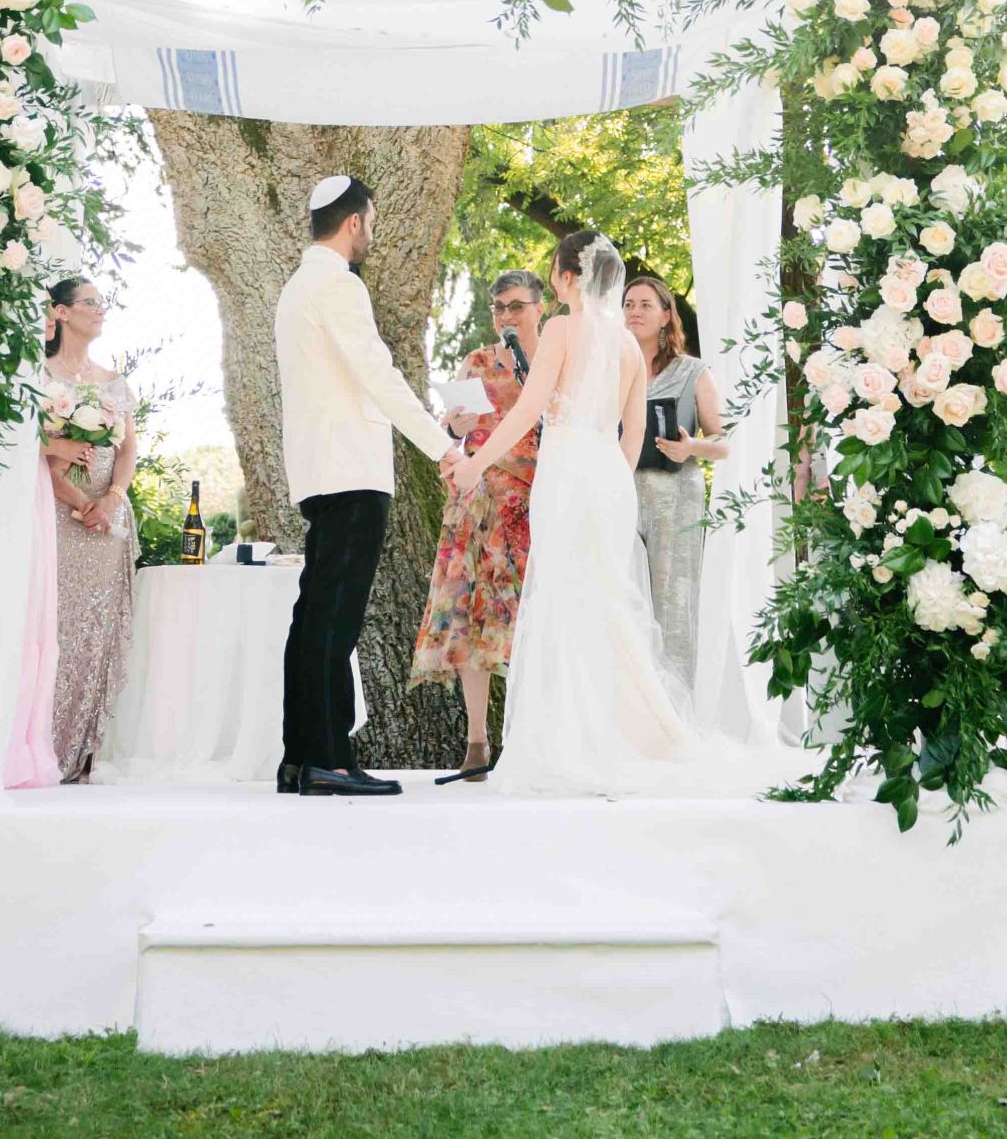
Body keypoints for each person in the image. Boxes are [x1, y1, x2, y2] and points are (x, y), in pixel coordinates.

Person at [450, 229, 772, 800]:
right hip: (605, 474)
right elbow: (637, 429)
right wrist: (613, 483)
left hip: (569, 466)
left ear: (567, 276)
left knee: (562, 596)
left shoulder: (560, 328)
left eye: (554, 272)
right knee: (605, 599)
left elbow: (529, 409)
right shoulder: (625, 344)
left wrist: (476, 464)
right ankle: (630, 733)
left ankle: (568, 741)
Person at [274, 171, 461, 796]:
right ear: (355, 222)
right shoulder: (338, 287)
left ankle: (300, 757)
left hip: (318, 468)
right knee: (335, 619)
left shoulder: (297, 288)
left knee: (314, 614)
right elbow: (379, 374)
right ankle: (327, 758)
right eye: (371, 223)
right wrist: (442, 447)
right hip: (351, 469)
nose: (371, 234)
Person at [411, 269, 546, 777]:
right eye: (499, 308)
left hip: (537, 504)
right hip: (479, 506)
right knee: (472, 619)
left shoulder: (551, 362)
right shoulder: (477, 361)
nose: (507, 316)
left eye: (516, 306)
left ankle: (533, 735)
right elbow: (452, 429)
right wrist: (455, 426)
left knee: (530, 619)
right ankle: (476, 743)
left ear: (541, 307)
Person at [41, 275, 139, 784]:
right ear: (60, 313)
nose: (100, 309)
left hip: (106, 521)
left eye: (103, 302)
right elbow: (30, 450)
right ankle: (43, 748)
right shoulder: (40, 375)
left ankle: (84, 751)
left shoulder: (113, 382)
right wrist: (81, 502)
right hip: (55, 520)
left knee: (96, 630)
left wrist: (112, 500)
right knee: (53, 627)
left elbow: (127, 450)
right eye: (89, 302)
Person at [624, 272, 730, 688]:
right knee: (625, 598)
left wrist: (691, 449)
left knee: (672, 602)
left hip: (676, 496)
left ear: (667, 316)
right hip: (622, 494)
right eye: (629, 304)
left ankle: (676, 710)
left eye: (645, 304)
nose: (634, 311)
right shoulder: (611, 368)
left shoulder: (693, 371)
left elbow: (723, 442)